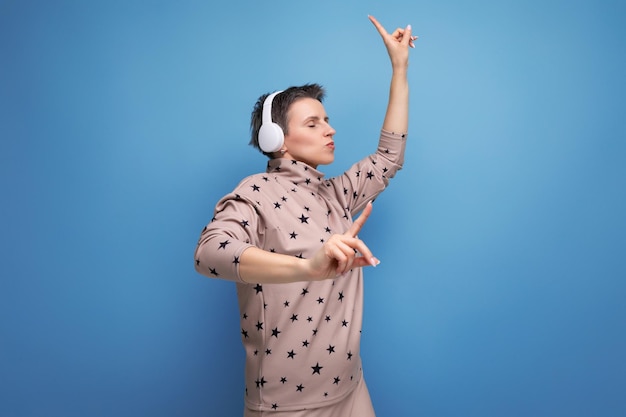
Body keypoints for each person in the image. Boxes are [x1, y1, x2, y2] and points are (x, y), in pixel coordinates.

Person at [194, 15, 416, 417]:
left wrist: (399, 69)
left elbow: (388, 157)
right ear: (275, 139)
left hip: (351, 388)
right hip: (289, 407)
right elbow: (209, 254)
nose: (329, 130)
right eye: (313, 123)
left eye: (327, 120)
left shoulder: (334, 193)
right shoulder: (254, 191)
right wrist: (309, 266)